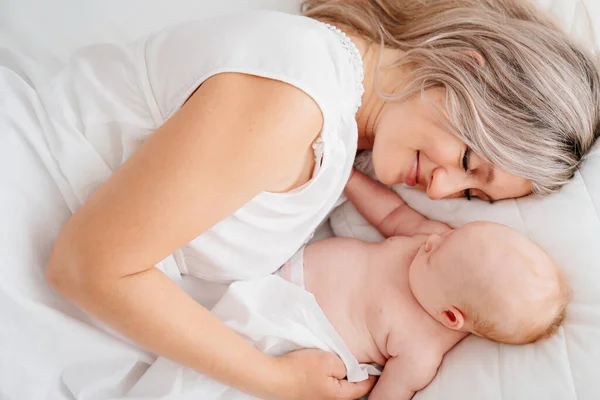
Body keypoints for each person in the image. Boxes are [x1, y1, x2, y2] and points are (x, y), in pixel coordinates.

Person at [38, 0, 598, 398]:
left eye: (473, 193)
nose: (443, 190)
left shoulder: (341, 130)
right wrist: (277, 381)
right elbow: (86, 266)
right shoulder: (296, 99)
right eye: (469, 160)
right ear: (470, 71)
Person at [273, 169, 569, 399]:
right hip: (284, 260)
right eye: (451, 235)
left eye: (434, 253)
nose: (432, 239)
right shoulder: (444, 243)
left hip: (295, 334)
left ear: (450, 315)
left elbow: (386, 396)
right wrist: (348, 177)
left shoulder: (421, 352)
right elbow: (392, 214)